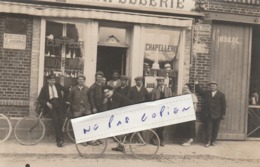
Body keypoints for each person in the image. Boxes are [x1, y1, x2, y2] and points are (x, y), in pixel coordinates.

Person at [38, 74, 67, 147]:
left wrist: (65, 100)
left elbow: (66, 90)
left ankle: (61, 138)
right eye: (51, 80)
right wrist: (47, 103)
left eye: (53, 80)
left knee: (60, 120)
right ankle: (59, 140)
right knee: (56, 120)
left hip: (59, 104)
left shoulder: (58, 85)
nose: (52, 81)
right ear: (47, 80)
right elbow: (40, 98)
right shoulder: (44, 88)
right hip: (51, 105)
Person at [195, 81, 226, 147]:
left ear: (216, 87)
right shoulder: (206, 93)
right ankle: (208, 142)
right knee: (209, 128)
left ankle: (213, 141)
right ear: (209, 87)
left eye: (214, 86)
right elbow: (199, 91)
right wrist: (196, 84)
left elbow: (224, 105)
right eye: (211, 86)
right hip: (208, 114)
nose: (212, 87)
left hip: (217, 114)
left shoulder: (221, 94)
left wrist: (223, 114)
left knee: (215, 128)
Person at [102, 85, 133, 151]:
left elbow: (114, 108)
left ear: (112, 91)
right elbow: (109, 109)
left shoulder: (116, 96)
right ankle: (120, 146)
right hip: (124, 112)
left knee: (118, 127)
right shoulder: (110, 98)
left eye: (108, 92)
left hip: (130, 112)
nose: (106, 94)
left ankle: (123, 137)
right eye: (105, 93)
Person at [150, 77, 173, 146]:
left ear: (164, 82)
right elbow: (152, 101)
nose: (160, 82)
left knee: (162, 126)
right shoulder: (154, 90)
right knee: (158, 125)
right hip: (157, 111)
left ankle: (155, 139)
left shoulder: (168, 90)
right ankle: (159, 140)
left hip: (165, 110)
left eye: (161, 81)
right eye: (158, 81)